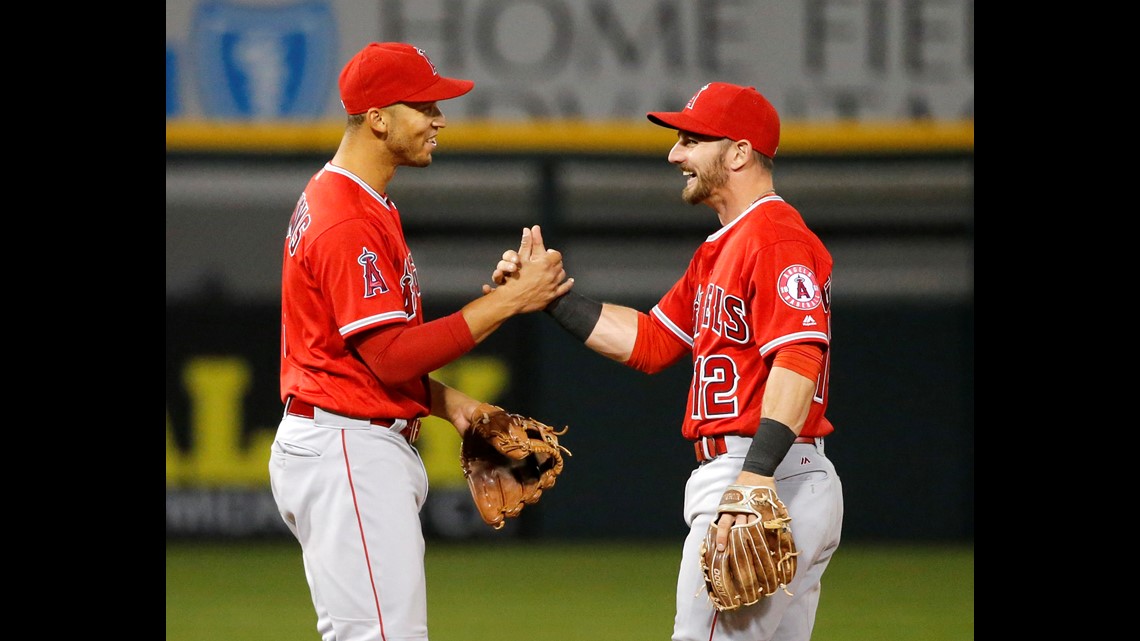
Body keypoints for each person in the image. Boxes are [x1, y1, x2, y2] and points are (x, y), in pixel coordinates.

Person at [488, 82, 844, 641]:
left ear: (739, 152)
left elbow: (799, 359)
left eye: (691, 140)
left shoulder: (775, 238)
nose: (675, 154)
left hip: (762, 472)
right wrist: (550, 299)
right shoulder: (722, 247)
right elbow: (653, 342)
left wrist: (753, 480)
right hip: (772, 475)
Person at [268, 41, 572, 641]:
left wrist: (452, 405)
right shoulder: (348, 217)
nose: (439, 119)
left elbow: (363, 353)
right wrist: (511, 299)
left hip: (346, 442)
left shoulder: (356, 199)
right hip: (348, 448)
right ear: (378, 118)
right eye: (424, 106)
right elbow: (389, 357)